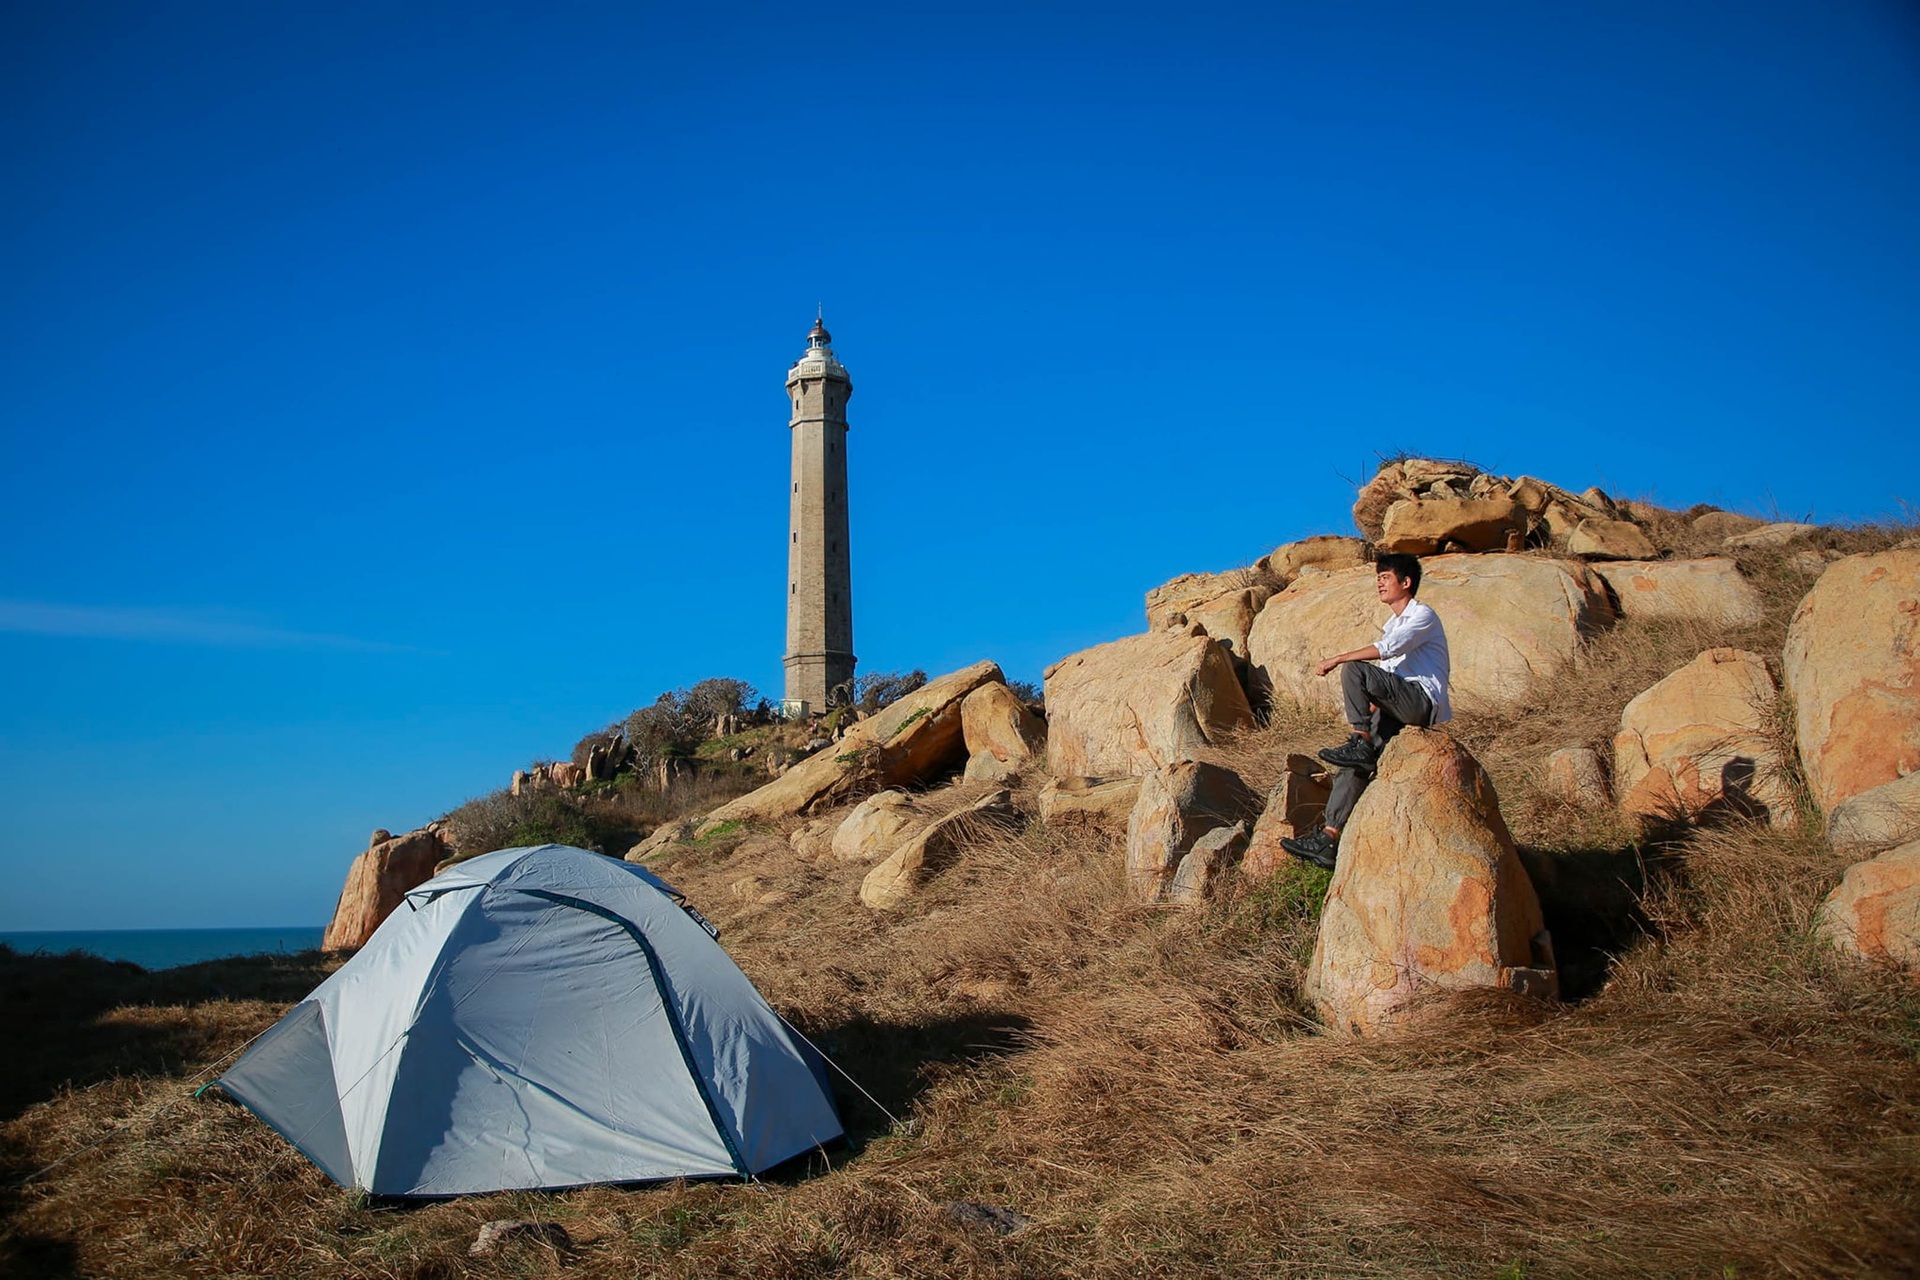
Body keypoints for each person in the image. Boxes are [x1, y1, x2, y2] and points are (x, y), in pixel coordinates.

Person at [1279, 553, 1451, 870]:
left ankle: (1359, 741)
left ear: (1406, 582)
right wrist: (1369, 719)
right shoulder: (1392, 624)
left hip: (1420, 702)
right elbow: (1386, 684)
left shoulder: (1422, 615)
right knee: (1352, 765)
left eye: (1385, 577)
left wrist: (1338, 659)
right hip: (1398, 707)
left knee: (1354, 670)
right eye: (1378, 577)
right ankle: (1329, 838)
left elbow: (1390, 650)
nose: (1380, 582)